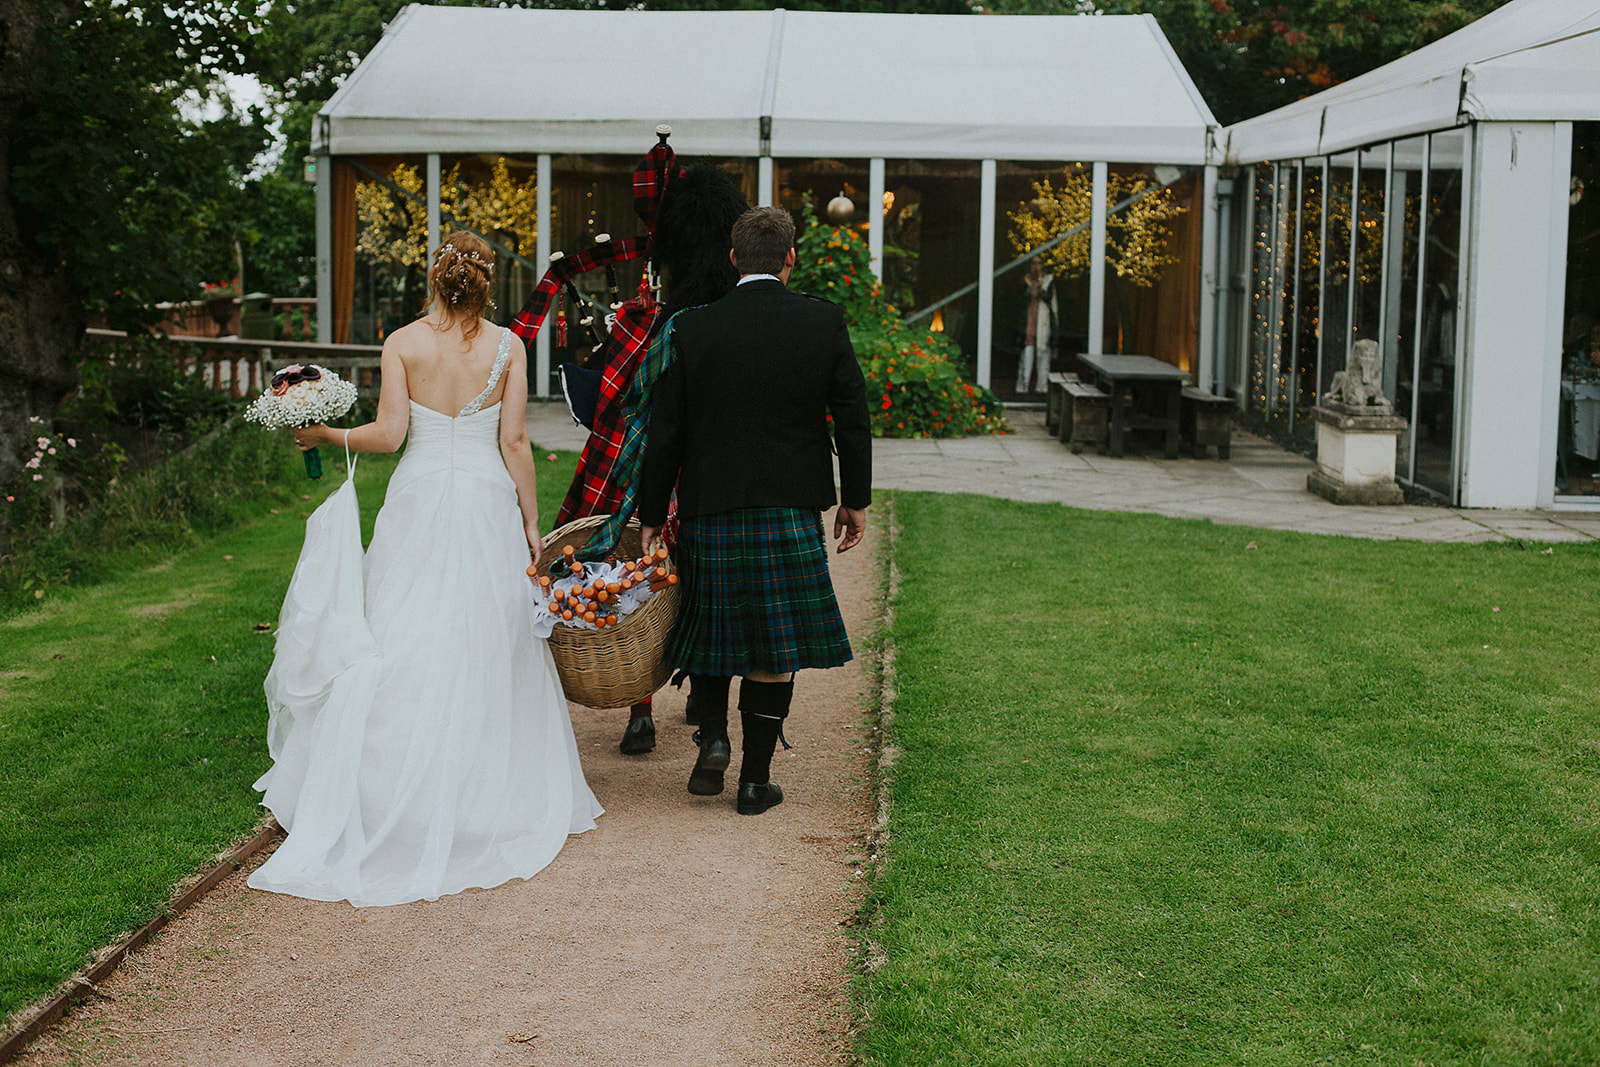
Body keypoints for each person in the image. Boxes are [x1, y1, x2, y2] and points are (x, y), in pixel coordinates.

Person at [249, 231, 603, 907]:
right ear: (487, 283)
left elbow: (388, 436)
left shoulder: (403, 342)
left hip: (418, 499)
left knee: (403, 628)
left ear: (434, 280)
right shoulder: (510, 346)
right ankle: (482, 792)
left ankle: (385, 787)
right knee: (481, 637)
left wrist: (325, 434)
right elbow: (516, 439)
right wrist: (532, 522)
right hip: (484, 499)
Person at [637, 206, 871, 816]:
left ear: (733, 258)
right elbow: (852, 416)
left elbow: (665, 432)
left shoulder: (694, 328)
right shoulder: (822, 321)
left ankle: (713, 737)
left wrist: (648, 515)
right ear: (791, 256)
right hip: (789, 508)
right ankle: (753, 782)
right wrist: (855, 500)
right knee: (772, 647)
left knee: (711, 630)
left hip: (710, 507)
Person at [516, 147, 748, 756]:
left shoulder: (650, 319)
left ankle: (639, 710)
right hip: (710, 469)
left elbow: (608, 401)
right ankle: (706, 698)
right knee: (697, 577)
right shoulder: (731, 319)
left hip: (635, 464)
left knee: (626, 570)